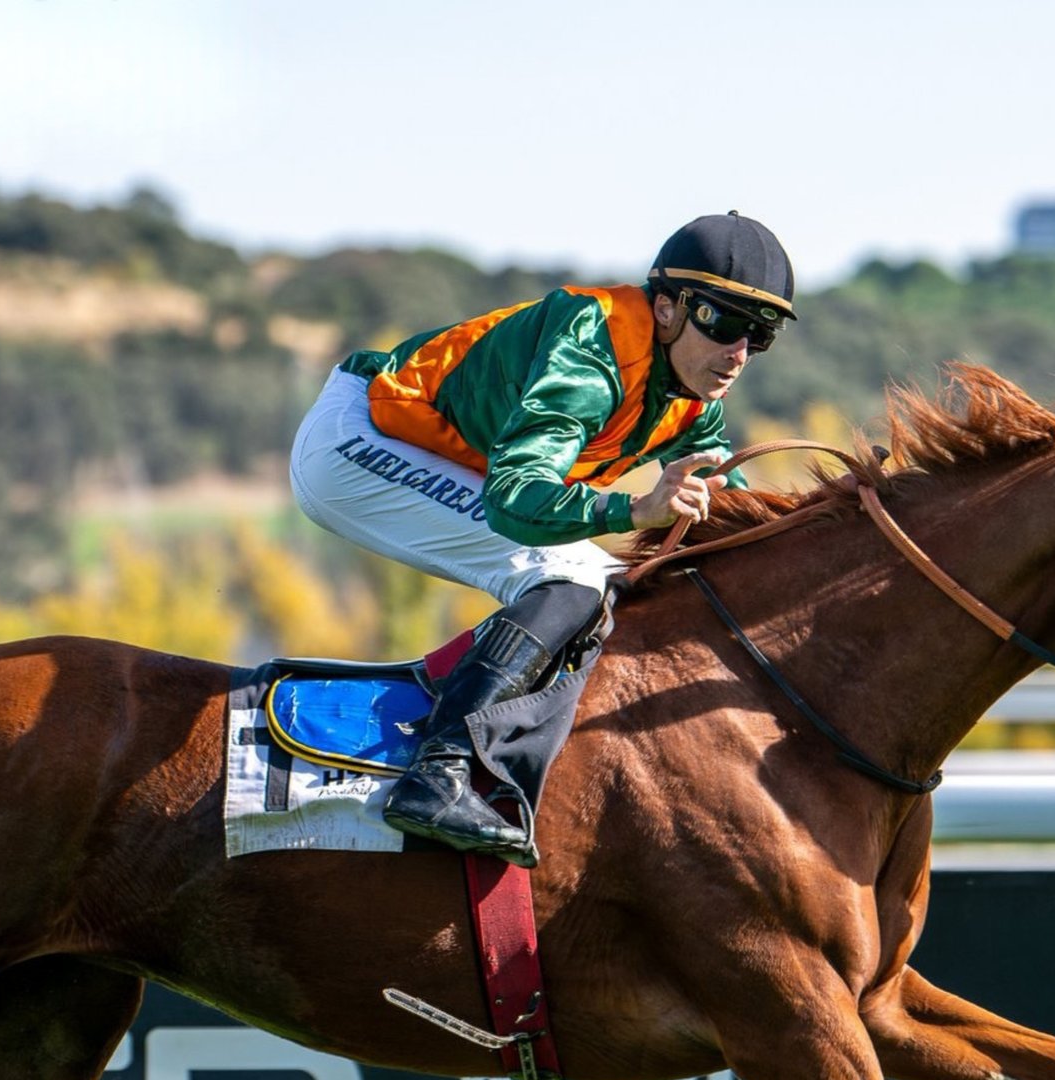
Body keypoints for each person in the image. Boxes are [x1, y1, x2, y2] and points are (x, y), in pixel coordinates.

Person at [287, 212, 795, 865]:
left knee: (597, 580)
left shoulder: (693, 396)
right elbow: (514, 501)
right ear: (666, 308)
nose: (739, 354)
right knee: (574, 575)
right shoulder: (590, 347)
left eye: (762, 335)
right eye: (724, 325)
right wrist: (635, 510)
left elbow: (741, 511)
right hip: (356, 444)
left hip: (417, 452)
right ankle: (438, 772)